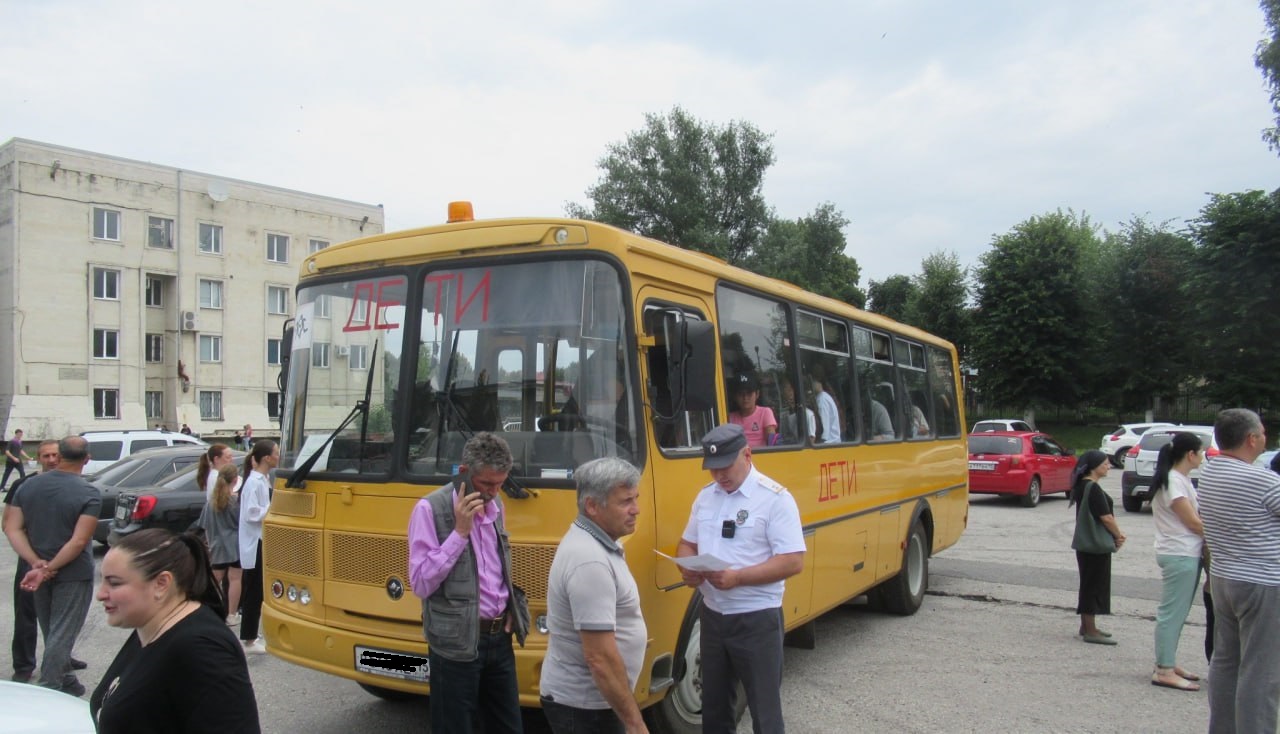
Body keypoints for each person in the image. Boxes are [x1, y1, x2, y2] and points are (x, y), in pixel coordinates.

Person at [677, 424, 805, 734]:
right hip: (712, 616)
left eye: (725, 467)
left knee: (765, 712)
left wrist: (738, 578)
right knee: (715, 709)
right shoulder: (706, 497)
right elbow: (687, 543)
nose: (719, 476)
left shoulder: (775, 499)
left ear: (747, 454)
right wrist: (687, 567)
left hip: (756, 619)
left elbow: (793, 560)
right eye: (712, 470)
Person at [407, 432, 530, 734]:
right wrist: (459, 533)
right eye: (486, 484)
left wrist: (510, 604)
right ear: (464, 473)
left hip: (498, 638)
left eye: (500, 483)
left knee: (509, 727)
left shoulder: (495, 503)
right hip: (456, 644)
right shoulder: (429, 509)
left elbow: (495, 567)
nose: (493, 492)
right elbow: (421, 583)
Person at [89, 528, 261, 733]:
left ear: (162, 584)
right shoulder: (150, 627)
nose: (100, 594)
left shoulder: (203, 650)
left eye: (114, 583)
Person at [541, 458, 647, 734]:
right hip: (586, 708)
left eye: (636, 498)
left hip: (594, 703)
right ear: (592, 506)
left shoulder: (596, 544)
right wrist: (635, 723)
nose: (636, 510)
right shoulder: (589, 561)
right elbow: (599, 657)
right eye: (625, 502)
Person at [1196, 408, 1280, 733]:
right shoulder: (1262, 480)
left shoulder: (1212, 473)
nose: (1265, 437)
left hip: (1224, 577)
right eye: (1262, 432)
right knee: (1262, 671)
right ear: (1251, 438)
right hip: (1263, 582)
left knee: (1226, 661)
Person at [2, 436, 100, 695]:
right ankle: (48, 689)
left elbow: (11, 527)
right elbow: (79, 541)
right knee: (61, 634)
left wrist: (36, 563)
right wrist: (47, 567)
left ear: (60, 456)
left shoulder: (27, 486)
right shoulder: (88, 492)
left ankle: (66, 680)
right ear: (87, 459)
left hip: (37, 570)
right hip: (72, 573)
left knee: (52, 631)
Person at [1148, 432, 1205, 691]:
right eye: (1201, 451)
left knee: (1179, 612)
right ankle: (1164, 669)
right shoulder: (1173, 480)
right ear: (1190, 454)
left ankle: (1168, 660)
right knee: (1172, 613)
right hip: (1179, 553)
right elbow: (1192, 522)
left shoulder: (1181, 479)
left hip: (1185, 552)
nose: (1203, 456)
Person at [1068, 449, 1126, 645]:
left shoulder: (1083, 485)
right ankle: (1091, 630)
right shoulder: (1092, 488)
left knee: (1088, 583)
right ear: (1094, 467)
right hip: (1095, 544)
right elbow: (1106, 517)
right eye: (1105, 463)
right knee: (1093, 585)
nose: (1108, 466)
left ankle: (1086, 625)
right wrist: (1118, 536)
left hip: (1086, 544)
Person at [237, 440, 275, 655]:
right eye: (276, 453)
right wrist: (273, 509)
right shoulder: (254, 482)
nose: (278, 456)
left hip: (261, 541)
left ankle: (251, 635)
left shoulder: (263, 480)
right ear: (266, 458)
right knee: (253, 592)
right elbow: (252, 513)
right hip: (255, 543)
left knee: (257, 590)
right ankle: (249, 639)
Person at [198, 463, 243, 626]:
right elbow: (241, 524)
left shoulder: (211, 502)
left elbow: (204, 525)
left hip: (217, 544)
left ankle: (206, 609)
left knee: (215, 579)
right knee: (235, 579)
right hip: (235, 545)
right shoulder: (235, 501)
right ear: (235, 479)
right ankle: (232, 614)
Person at [727, 373, 777, 448]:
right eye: (741, 394)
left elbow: (772, 442)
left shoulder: (765, 412)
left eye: (749, 393)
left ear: (757, 394)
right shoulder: (729, 417)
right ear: (735, 397)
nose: (745, 398)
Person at [777, 376, 815, 444]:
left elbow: (811, 439)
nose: (789, 394)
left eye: (790, 390)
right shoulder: (784, 415)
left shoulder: (807, 414)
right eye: (784, 389)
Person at [811, 376, 840, 443]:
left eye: (814, 382)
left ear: (819, 383)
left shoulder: (822, 400)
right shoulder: (824, 396)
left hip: (829, 444)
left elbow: (824, 430)